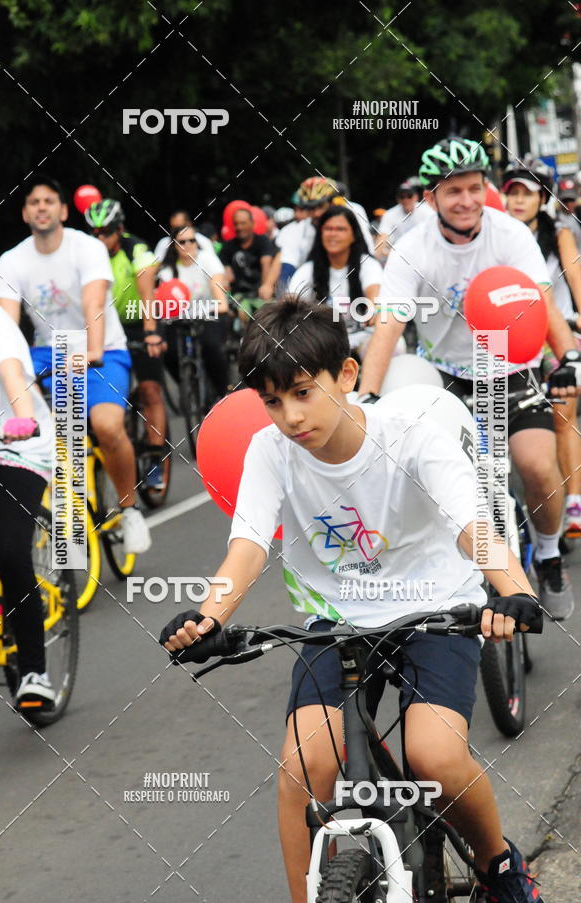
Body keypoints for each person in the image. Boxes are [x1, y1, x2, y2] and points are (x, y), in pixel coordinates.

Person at [161, 297, 546, 903]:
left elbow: (474, 528)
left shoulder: (411, 437)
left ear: (345, 374)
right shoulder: (270, 452)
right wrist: (209, 617)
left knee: (434, 755)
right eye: (272, 400)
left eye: (301, 392)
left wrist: (515, 595)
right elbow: (249, 545)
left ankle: (500, 866)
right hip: (337, 624)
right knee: (302, 769)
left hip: (436, 608)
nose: (289, 416)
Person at [358, 137, 581, 620]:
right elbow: (389, 323)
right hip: (445, 377)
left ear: (485, 189)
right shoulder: (413, 248)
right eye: (453, 190)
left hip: (509, 367)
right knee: (438, 482)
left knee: (538, 468)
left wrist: (566, 358)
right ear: (432, 197)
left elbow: (540, 302)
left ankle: (547, 554)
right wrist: (369, 396)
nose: (466, 200)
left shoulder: (510, 234)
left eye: (475, 188)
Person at [0, 176, 151, 554]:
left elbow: (94, 303)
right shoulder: (12, 260)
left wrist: (93, 351)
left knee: (107, 426)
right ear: (25, 213)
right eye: (34, 202)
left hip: (101, 348)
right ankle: (62, 517)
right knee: (31, 427)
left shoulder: (87, 248)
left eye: (49, 201)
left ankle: (129, 510)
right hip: (49, 352)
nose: (42, 207)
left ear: (63, 211)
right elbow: (4, 323)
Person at [0, 300, 56, 706]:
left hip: (17, 444)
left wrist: (22, 418)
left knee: (10, 552)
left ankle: (34, 671)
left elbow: (12, 373)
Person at [503, 161, 581, 539]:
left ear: (542, 199)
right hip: (510, 340)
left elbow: (576, 278)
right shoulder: (497, 235)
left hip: (557, 334)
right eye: (512, 193)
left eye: (526, 193)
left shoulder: (560, 233)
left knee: (563, 418)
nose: (518, 201)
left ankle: (574, 504)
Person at [84, 199, 168, 491]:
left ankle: (156, 460)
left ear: (118, 229)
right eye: (93, 232)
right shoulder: (87, 254)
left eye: (105, 231)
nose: (99, 238)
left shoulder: (136, 249)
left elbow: (147, 294)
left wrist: (151, 332)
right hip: (104, 327)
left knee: (149, 389)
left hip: (138, 321)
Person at [260, 177, 376, 299]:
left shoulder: (353, 212)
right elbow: (287, 260)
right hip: (319, 281)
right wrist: (269, 286)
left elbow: (368, 258)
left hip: (354, 276)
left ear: (332, 202)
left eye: (320, 206)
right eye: (310, 208)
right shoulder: (301, 228)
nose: (316, 213)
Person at [288, 205, 382, 356]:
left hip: (361, 337)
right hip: (322, 342)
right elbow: (291, 302)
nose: (333, 234)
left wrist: (374, 307)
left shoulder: (368, 264)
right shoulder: (308, 269)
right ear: (320, 234)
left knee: (396, 345)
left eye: (340, 229)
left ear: (353, 235)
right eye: (328, 229)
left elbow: (374, 291)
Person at [159, 224, 230, 402]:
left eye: (192, 240)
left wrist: (216, 304)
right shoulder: (167, 270)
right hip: (180, 317)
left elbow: (220, 300)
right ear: (174, 245)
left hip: (210, 312)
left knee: (211, 346)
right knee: (168, 352)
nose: (188, 245)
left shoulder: (207, 260)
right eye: (182, 241)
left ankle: (224, 393)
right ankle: (187, 383)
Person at [219, 207, 276, 319]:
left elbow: (266, 266)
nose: (239, 227)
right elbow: (226, 274)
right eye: (236, 224)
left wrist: (265, 289)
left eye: (243, 223)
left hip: (260, 294)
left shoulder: (263, 242)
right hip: (238, 295)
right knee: (242, 311)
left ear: (252, 224)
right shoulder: (228, 246)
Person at [374, 177, 434, 262]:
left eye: (409, 196)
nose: (405, 199)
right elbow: (383, 238)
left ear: (416, 197)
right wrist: (374, 262)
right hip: (400, 256)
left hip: (425, 254)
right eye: (402, 197)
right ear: (397, 199)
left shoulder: (427, 211)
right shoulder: (390, 215)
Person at [555, 178, 581, 251]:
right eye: (565, 200)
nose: (568, 204)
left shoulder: (579, 213)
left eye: (571, 200)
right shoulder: (553, 219)